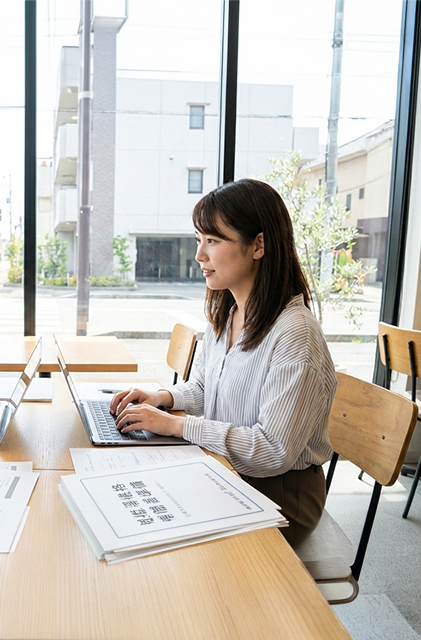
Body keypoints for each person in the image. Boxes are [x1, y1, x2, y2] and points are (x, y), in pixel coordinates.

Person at [109, 178, 336, 547]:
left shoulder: (295, 335)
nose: (200, 255)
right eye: (199, 240)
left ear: (259, 245)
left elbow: (272, 451)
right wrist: (163, 398)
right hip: (225, 468)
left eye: (212, 241)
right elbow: (204, 389)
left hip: (280, 493)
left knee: (155, 532)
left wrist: (176, 427)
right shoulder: (228, 313)